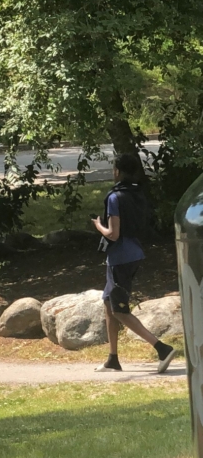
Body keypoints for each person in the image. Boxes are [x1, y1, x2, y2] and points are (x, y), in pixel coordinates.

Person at [91, 152, 176, 373]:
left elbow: (113, 233)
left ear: (117, 171)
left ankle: (162, 348)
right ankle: (113, 358)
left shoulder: (114, 197)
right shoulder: (137, 193)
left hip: (120, 258)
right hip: (135, 251)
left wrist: (98, 225)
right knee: (109, 305)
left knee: (119, 310)